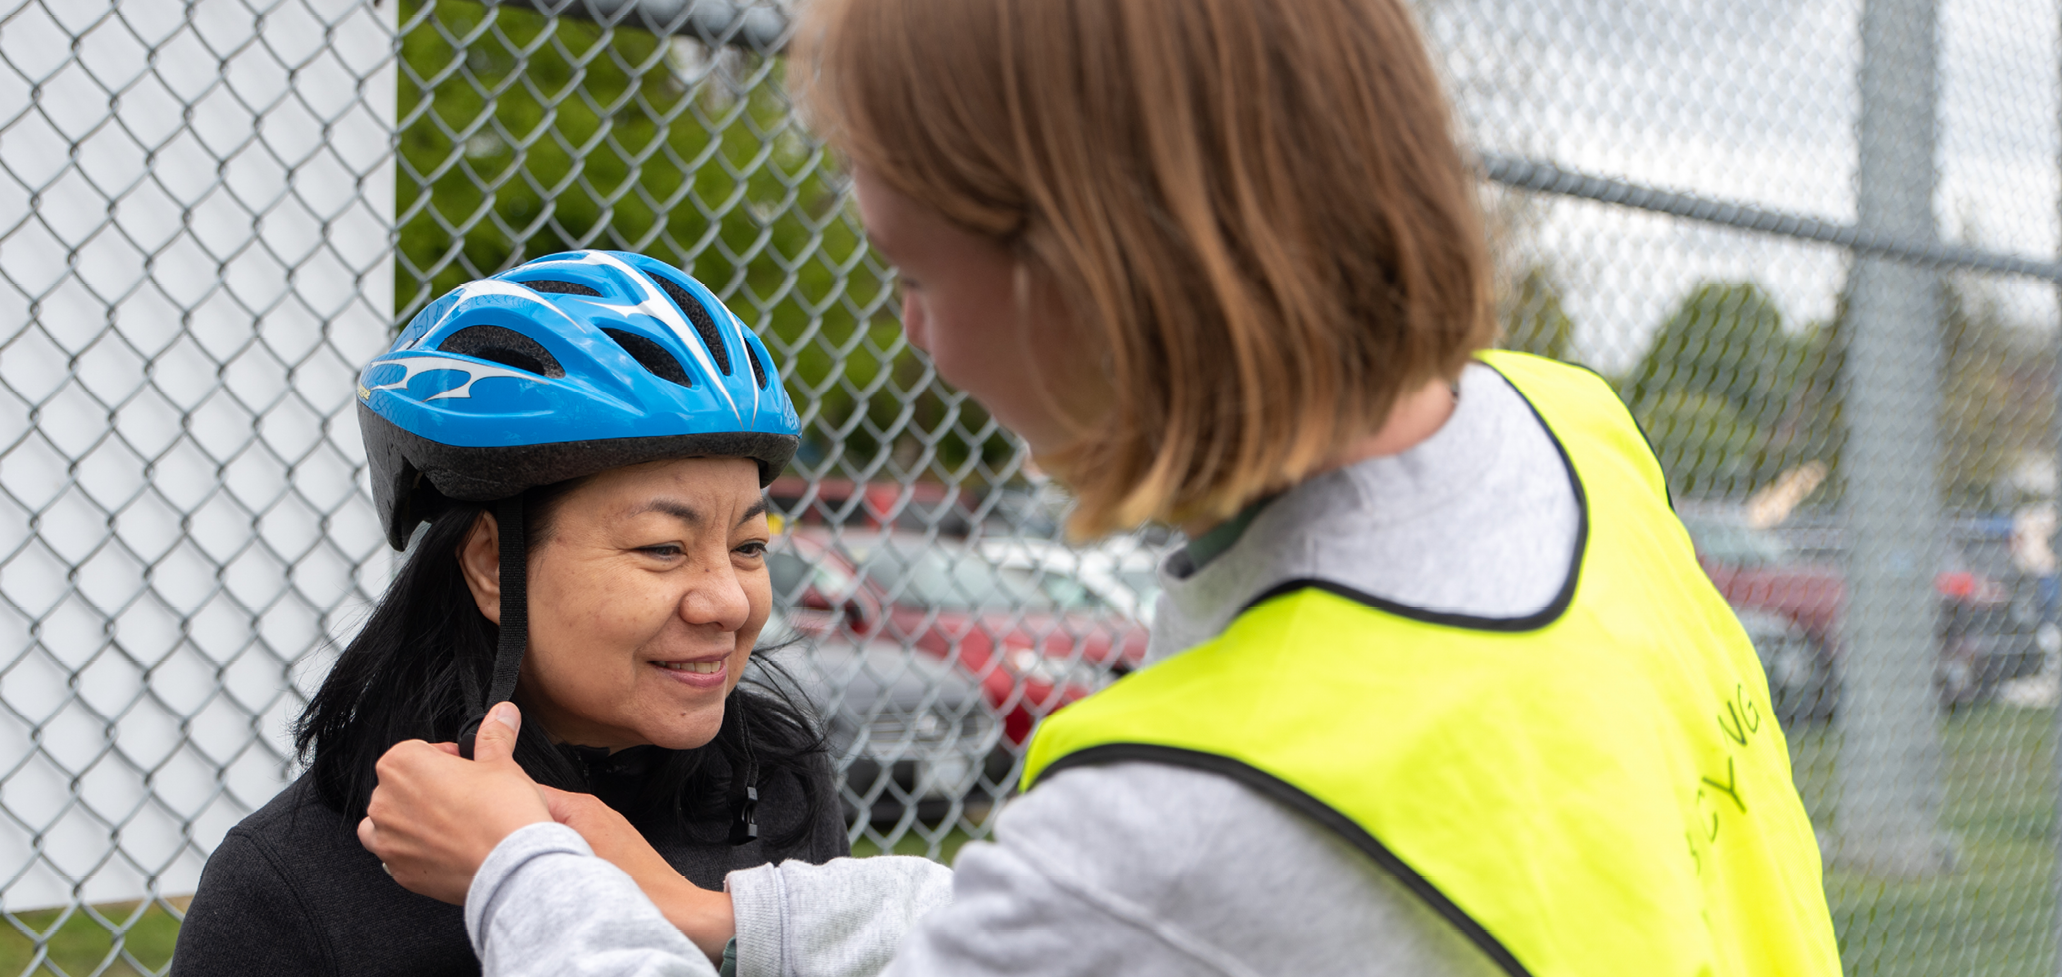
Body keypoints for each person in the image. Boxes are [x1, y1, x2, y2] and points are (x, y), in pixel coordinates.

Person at [361, 0, 1845, 974]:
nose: (911, 337)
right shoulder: (1566, 428)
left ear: (1095, 273)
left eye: (915, 269)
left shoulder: (1198, 806)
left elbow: (1136, 900)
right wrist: (714, 912)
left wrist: (528, 871)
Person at [171, 251, 847, 977]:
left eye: (749, 544)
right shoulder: (288, 889)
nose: (730, 599)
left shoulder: (778, 787)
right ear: (492, 564)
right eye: (663, 547)